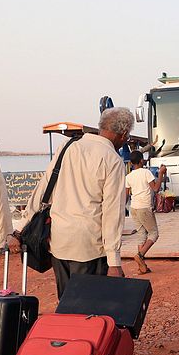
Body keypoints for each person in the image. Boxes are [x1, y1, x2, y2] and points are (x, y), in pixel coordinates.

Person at [24, 107, 135, 297]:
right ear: (123, 135)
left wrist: (21, 227)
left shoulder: (68, 147)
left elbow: (43, 189)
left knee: (66, 302)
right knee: (88, 309)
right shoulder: (113, 160)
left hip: (59, 242)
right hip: (88, 247)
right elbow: (112, 213)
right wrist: (114, 261)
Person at [126, 150, 166, 274]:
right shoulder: (146, 172)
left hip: (134, 207)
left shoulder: (128, 176)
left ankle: (141, 266)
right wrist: (161, 174)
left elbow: (126, 195)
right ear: (141, 161)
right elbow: (155, 188)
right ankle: (140, 255)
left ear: (131, 163)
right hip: (144, 207)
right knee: (154, 234)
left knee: (141, 235)